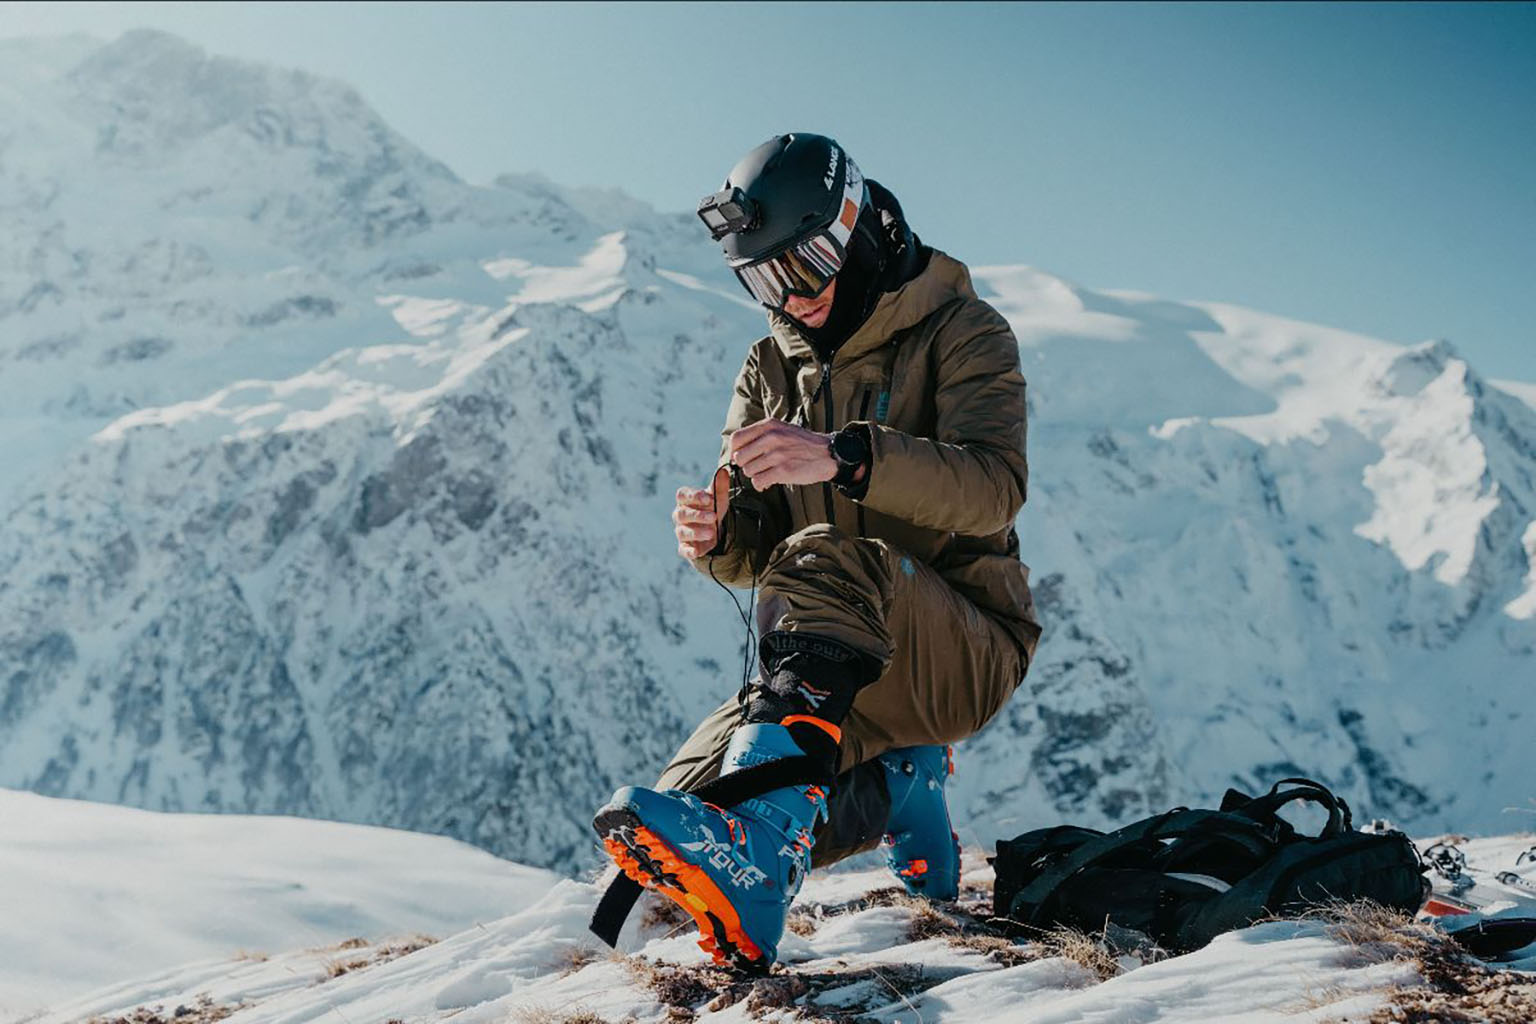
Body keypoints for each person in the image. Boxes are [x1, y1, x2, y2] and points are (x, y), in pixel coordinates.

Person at [591, 133, 1040, 970]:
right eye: (759, 279)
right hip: (834, 654)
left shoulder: (964, 332)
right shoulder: (768, 367)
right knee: (675, 837)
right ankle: (895, 786)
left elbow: (994, 488)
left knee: (829, 553)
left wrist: (848, 456)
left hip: (965, 643)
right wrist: (718, 539)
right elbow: (759, 557)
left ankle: (761, 860)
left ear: (852, 231)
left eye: (797, 269)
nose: (785, 297)